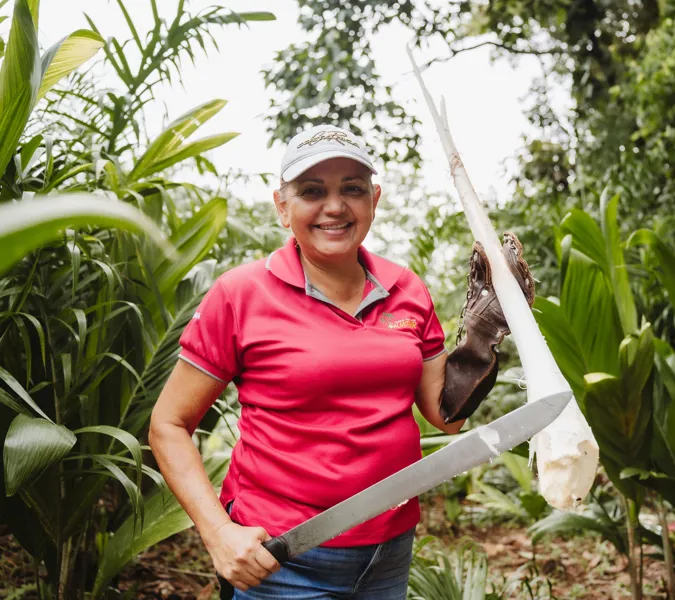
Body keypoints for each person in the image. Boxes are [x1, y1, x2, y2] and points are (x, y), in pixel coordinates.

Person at [149, 124, 534, 600]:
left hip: (389, 552)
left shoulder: (407, 289)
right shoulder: (242, 294)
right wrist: (217, 533)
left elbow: (444, 415)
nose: (334, 206)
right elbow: (168, 423)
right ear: (282, 206)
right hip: (283, 558)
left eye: (352, 188)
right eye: (313, 191)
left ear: (374, 199)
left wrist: (482, 335)